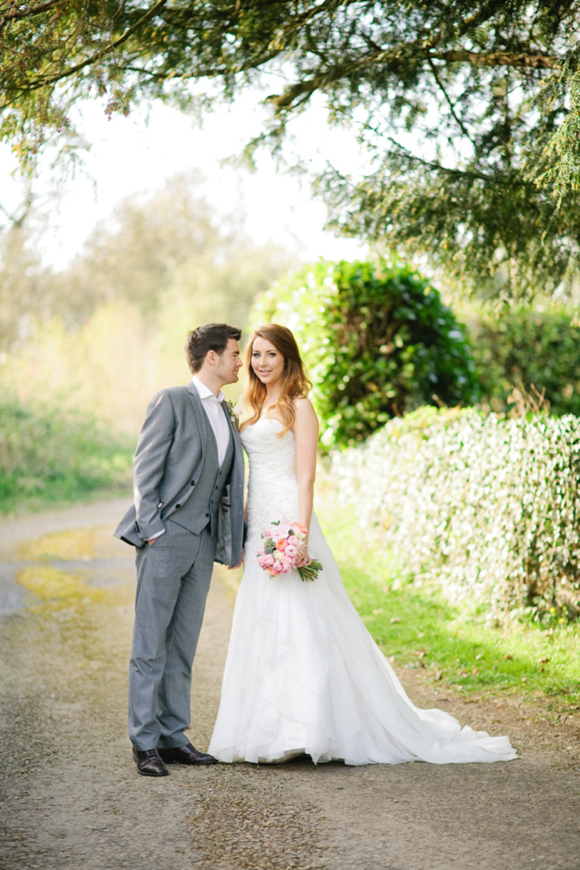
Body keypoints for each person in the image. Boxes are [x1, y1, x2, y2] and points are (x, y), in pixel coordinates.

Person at [208, 324, 517, 765]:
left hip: (289, 519)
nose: (259, 363)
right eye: (255, 355)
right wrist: (239, 524)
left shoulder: (300, 406)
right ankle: (265, 729)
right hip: (256, 520)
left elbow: (307, 476)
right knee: (262, 618)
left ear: (287, 358)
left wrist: (299, 533)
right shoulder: (249, 404)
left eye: (269, 355)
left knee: (300, 619)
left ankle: (308, 727)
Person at [115, 323, 245, 777]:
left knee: (183, 644)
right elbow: (144, 468)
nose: (240, 360)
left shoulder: (227, 412)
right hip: (166, 539)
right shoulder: (172, 400)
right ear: (212, 357)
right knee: (150, 644)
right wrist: (152, 530)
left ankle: (173, 737)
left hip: (203, 542)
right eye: (234, 353)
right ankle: (144, 743)